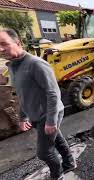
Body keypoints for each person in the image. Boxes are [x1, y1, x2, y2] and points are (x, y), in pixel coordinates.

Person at [0, 28, 76, 180]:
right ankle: (70, 162)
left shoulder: (36, 64)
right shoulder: (13, 66)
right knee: (57, 139)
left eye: (4, 44)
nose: (1, 49)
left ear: (17, 43)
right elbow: (22, 94)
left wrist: (51, 120)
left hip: (47, 114)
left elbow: (53, 93)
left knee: (44, 152)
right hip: (35, 114)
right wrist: (23, 118)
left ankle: (57, 175)